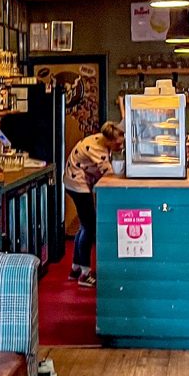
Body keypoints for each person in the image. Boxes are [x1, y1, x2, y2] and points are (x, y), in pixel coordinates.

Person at [63, 121, 126, 288]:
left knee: (84, 226)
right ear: (109, 140)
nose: (120, 146)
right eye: (118, 144)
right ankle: (84, 274)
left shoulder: (100, 138)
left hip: (72, 181)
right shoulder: (98, 150)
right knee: (89, 227)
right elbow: (108, 175)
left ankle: (75, 268)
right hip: (78, 184)